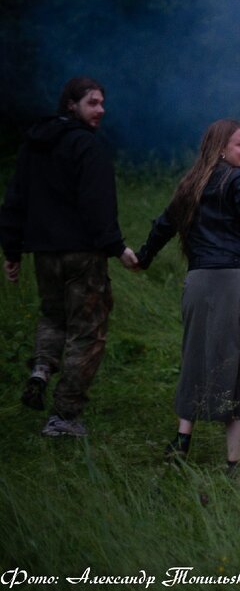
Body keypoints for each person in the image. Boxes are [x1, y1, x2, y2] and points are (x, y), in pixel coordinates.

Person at [134, 119, 240, 473]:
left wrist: (142, 258)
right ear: (221, 149)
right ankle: (233, 464)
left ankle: (182, 439)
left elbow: (162, 226)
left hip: (198, 283)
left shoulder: (190, 184)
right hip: (236, 283)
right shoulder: (236, 179)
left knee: (195, 358)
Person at [1, 76, 138, 437]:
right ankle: (64, 415)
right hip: (82, 255)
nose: (101, 110)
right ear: (71, 105)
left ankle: (42, 368)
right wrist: (117, 247)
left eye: (102, 103)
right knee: (87, 332)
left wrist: (12, 250)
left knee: (52, 316)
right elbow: (98, 205)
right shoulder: (86, 147)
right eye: (93, 102)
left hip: (44, 254)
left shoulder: (34, 145)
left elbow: (16, 198)